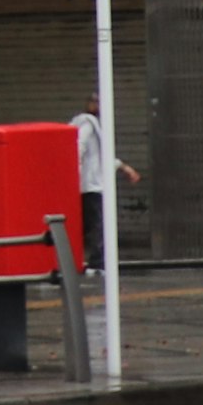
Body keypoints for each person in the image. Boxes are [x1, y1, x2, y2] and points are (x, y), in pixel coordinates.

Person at [73, 105, 142, 277]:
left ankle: (84, 261)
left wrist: (124, 168)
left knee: (89, 224)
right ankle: (96, 263)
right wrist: (76, 173)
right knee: (98, 224)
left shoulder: (93, 126)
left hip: (90, 184)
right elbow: (78, 148)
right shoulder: (89, 125)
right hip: (92, 185)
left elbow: (102, 156)